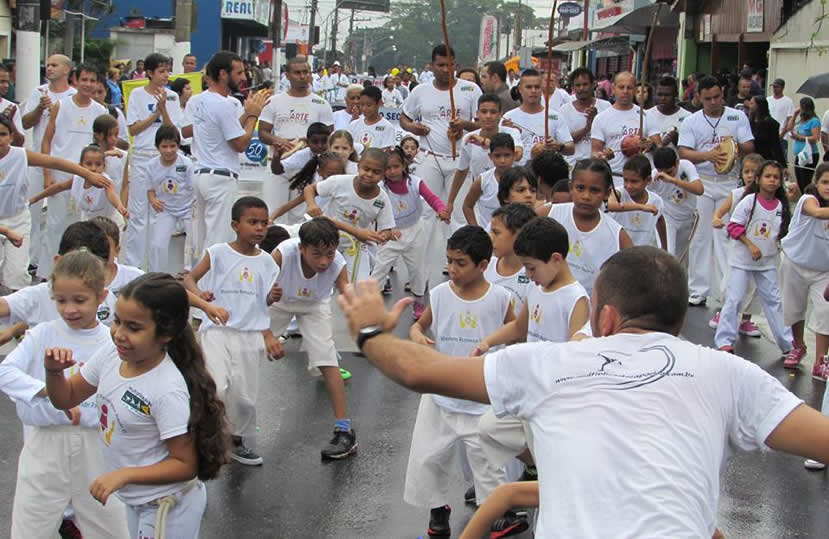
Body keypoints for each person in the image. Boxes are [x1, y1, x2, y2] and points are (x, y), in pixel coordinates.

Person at [337, 242, 829, 538]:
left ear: (606, 317)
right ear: (680, 320)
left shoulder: (549, 363)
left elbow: (419, 371)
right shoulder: (729, 373)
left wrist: (370, 331)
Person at [45, 272, 231, 538]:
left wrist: (124, 475)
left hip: (167, 507)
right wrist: (53, 372)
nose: (119, 334)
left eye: (133, 328)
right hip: (137, 501)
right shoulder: (111, 356)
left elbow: (185, 464)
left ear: (166, 333)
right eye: (117, 321)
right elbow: (66, 397)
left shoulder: (167, 389)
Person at [0, 250, 131, 539]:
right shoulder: (42, 334)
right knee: (30, 527)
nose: (69, 309)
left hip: (97, 446)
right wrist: (48, 391)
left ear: (101, 296)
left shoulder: (112, 343)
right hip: (46, 445)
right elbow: (5, 372)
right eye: (61, 300)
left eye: (80, 300)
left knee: (111, 526)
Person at [406, 225, 513, 537]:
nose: (452, 268)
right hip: (441, 390)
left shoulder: (500, 298)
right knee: (429, 456)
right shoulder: (440, 294)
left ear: (483, 265)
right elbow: (419, 326)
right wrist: (416, 335)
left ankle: (494, 513)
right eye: (449, 260)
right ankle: (438, 510)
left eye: (461, 263)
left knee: (487, 459)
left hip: (481, 394)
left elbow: (516, 333)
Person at [183, 196, 280, 465]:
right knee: (218, 386)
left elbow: (263, 299)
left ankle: (237, 440)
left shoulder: (268, 263)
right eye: (252, 222)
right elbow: (189, 278)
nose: (259, 228)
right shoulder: (218, 253)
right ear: (235, 225)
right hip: (218, 329)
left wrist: (272, 297)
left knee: (245, 398)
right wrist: (200, 295)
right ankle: (203, 438)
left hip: (250, 334)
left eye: (264, 223)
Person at [268, 217, 361, 458]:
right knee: (247, 352)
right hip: (279, 303)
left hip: (314, 305)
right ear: (302, 248)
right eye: (317, 254)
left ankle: (344, 431)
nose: (324, 261)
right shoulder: (282, 254)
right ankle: (227, 424)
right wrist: (267, 336)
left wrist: (360, 310)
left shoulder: (337, 262)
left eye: (329, 254)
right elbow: (258, 291)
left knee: (327, 361)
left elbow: (345, 288)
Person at [400, 45, 482, 285]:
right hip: (430, 158)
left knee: (459, 214)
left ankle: (461, 269)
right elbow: (404, 117)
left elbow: (483, 122)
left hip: (461, 160)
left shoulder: (470, 89)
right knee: (426, 216)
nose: (446, 70)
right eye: (441, 65)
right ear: (432, 65)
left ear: (456, 64)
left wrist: (464, 126)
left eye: (450, 65)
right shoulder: (421, 91)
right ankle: (419, 275)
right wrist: (413, 128)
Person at [679, 75, 755, 307]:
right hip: (702, 182)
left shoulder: (737, 116)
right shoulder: (691, 121)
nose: (713, 102)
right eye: (708, 98)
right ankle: (698, 290)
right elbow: (684, 152)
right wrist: (708, 155)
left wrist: (733, 147)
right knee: (700, 236)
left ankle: (726, 292)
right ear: (699, 98)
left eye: (717, 97)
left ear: (723, 94)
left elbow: (750, 145)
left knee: (725, 236)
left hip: (729, 181)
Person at [191, 50, 270, 261]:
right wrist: (253, 115)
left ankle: (200, 275)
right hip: (220, 177)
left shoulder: (201, 100)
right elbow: (240, 144)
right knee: (217, 240)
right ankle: (209, 279)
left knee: (203, 237)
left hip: (202, 173)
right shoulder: (223, 104)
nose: (244, 78)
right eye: (239, 73)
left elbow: (228, 129)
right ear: (223, 74)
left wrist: (247, 114)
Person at [714, 160, 793, 355]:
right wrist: (750, 245)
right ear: (758, 179)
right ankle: (724, 340)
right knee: (734, 299)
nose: (772, 180)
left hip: (766, 263)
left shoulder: (781, 206)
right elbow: (733, 226)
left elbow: (782, 232)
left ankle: (788, 344)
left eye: (776, 177)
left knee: (774, 302)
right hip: (741, 261)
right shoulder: (749, 201)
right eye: (768, 176)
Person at [38, 64, 108, 279]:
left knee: (82, 225)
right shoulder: (61, 106)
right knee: (55, 225)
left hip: (88, 176)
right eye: (84, 79)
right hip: (61, 173)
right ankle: (48, 274)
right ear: (75, 81)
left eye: (92, 80)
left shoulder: (100, 111)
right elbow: (47, 140)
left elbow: (103, 145)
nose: (88, 84)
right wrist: (48, 174)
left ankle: (78, 273)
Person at [371, 147, 449, 318]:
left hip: (415, 231)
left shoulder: (415, 183)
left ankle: (418, 302)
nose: (392, 171)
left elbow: (432, 198)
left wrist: (441, 209)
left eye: (396, 167)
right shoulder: (380, 188)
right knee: (380, 268)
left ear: (404, 165)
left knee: (417, 270)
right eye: (387, 168)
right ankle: (371, 304)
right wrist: (387, 228)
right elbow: (375, 210)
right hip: (390, 234)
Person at [539, 158, 633, 293]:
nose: (586, 196)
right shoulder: (549, 214)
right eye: (580, 188)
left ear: (607, 193)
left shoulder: (618, 237)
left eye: (594, 190)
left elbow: (631, 280)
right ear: (571, 187)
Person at [123, 53, 182, 268]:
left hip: (163, 159)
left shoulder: (172, 96)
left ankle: (156, 267)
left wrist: (164, 109)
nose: (166, 75)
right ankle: (133, 265)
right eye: (161, 71)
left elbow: (173, 130)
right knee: (138, 213)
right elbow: (133, 129)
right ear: (149, 72)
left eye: (168, 71)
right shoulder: (137, 95)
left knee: (160, 213)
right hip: (142, 156)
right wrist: (154, 114)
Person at [304, 148, 395, 282]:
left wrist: (383, 236)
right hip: (325, 241)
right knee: (320, 280)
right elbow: (310, 189)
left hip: (354, 247)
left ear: (383, 174)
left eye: (376, 172)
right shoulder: (340, 182)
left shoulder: (382, 200)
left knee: (358, 286)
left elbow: (387, 228)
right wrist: (311, 204)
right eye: (366, 169)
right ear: (358, 167)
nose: (369, 174)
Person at [258, 56, 333, 217]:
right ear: (287, 75)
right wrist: (278, 141)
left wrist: (310, 144)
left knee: (302, 216)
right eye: (297, 73)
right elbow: (263, 132)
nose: (302, 76)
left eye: (306, 72)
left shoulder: (321, 104)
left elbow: (329, 137)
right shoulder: (274, 101)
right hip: (278, 164)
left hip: (307, 166)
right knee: (273, 213)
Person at [22, 54, 75, 272]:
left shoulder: (73, 96)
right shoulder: (38, 92)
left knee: (59, 217)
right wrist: (40, 109)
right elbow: (25, 123)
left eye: (54, 65)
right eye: (48, 65)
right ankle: (30, 260)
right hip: (37, 161)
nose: (49, 68)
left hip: (62, 162)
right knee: (32, 211)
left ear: (66, 70)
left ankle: (55, 260)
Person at [780, 162, 829, 377]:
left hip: (823, 270)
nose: (828, 187)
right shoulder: (807, 200)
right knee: (794, 309)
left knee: (825, 312)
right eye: (825, 182)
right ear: (816, 182)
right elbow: (816, 213)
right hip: (795, 262)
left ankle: (821, 362)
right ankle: (798, 345)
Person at [447, 94, 523, 227]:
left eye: (493, 112)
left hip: (512, 197)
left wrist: (485, 142)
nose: (488, 116)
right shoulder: (469, 139)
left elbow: (517, 154)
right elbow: (461, 171)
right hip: (483, 200)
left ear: (500, 114)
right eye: (484, 111)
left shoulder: (512, 133)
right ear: (477, 113)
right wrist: (450, 202)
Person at [29, 145, 128, 225]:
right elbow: (59, 187)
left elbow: (111, 194)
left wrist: (119, 206)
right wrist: (36, 198)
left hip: (109, 222)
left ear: (103, 166)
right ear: (80, 166)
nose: (93, 168)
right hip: (89, 221)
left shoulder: (105, 180)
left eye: (98, 164)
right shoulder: (77, 179)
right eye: (89, 164)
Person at [591, 71, 659, 180]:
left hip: (640, 178)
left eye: (629, 87)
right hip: (614, 177)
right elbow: (594, 153)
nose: (625, 91)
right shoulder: (601, 118)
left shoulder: (646, 115)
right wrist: (603, 156)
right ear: (613, 88)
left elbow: (659, 149)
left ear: (635, 90)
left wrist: (651, 145)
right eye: (621, 87)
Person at [146, 125, 194, 272]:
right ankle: (156, 274)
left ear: (178, 146)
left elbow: (194, 188)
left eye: (173, 146)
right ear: (157, 147)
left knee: (194, 243)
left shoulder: (186, 164)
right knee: (157, 244)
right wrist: (153, 200)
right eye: (164, 146)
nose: (169, 151)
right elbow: (150, 189)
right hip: (165, 208)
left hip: (188, 207)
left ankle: (191, 272)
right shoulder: (151, 165)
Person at [502, 69, 574, 167]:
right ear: (520, 89)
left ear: (542, 89)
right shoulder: (508, 118)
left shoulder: (555, 117)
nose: (533, 91)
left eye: (537, 87)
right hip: (517, 173)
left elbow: (571, 148)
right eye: (529, 87)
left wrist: (559, 146)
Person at [649, 147, 704, 259]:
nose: (665, 176)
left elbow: (699, 190)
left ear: (677, 162)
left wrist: (673, 180)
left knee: (683, 259)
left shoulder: (686, 166)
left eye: (669, 172)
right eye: (662, 173)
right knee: (668, 255)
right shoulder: (654, 177)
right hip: (668, 219)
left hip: (688, 218)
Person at [608, 155, 667, 249]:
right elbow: (609, 205)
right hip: (619, 252)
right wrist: (641, 207)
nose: (628, 186)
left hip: (643, 253)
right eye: (625, 180)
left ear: (648, 180)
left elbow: (660, 220)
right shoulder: (619, 193)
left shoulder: (656, 201)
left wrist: (664, 248)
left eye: (634, 181)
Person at [269, 152, 346, 223]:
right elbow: (287, 206)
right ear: (320, 172)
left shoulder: (346, 186)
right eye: (330, 175)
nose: (334, 178)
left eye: (339, 174)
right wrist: (271, 219)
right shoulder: (318, 189)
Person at [461, 134, 516, 229]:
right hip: (488, 234)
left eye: (507, 155)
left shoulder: (522, 179)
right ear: (490, 156)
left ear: (514, 155)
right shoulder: (483, 180)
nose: (502, 160)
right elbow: (467, 206)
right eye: (497, 156)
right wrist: (476, 230)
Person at [559, 68, 611, 167]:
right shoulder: (564, 110)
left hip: (599, 166)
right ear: (572, 87)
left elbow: (610, 136)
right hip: (573, 166)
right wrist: (587, 128)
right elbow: (565, 141)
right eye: (578, 85)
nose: (581, 88)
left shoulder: (606, 107)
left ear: (593, 84)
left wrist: (596, 121)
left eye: (585, 84)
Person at [647, 76, 691, 149]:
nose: (663, 98)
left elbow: (690, 148)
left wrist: (677, 140)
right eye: (659, 94)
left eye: (667, 95)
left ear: (676, 95)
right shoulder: (646, 115)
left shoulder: (687, 117)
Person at [788, 96, 821, 192]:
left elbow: (815, 138)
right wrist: (794, 114)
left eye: (800, 106)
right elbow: (789, 128)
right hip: (799, 155)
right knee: (799, 181)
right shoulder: (801, 121)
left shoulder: (814, 121)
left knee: (805, 180)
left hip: (809, 155)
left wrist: (800, 137)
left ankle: (808, 196)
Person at [767, 78, 794, 162]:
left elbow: (789, 120)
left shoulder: (788, 101)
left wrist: (781, 135)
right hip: (768, 135)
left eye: (777, 87)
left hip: (782, 136)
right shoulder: (768, 100)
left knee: (781, 161)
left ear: (782, 88)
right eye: (774, 87)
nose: (774, 89)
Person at [0, 64, 24, 146]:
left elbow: (19, 143)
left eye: (7, 82)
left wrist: (10, 122)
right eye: (1, 82)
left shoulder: (12, 107)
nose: (6, 86)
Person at [170, 77, 194, 154]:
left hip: (193, 148)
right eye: (187, 89)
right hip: (179, 149)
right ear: (178, 92)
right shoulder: (171, 109)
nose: (191, 91)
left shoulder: (192, 108)